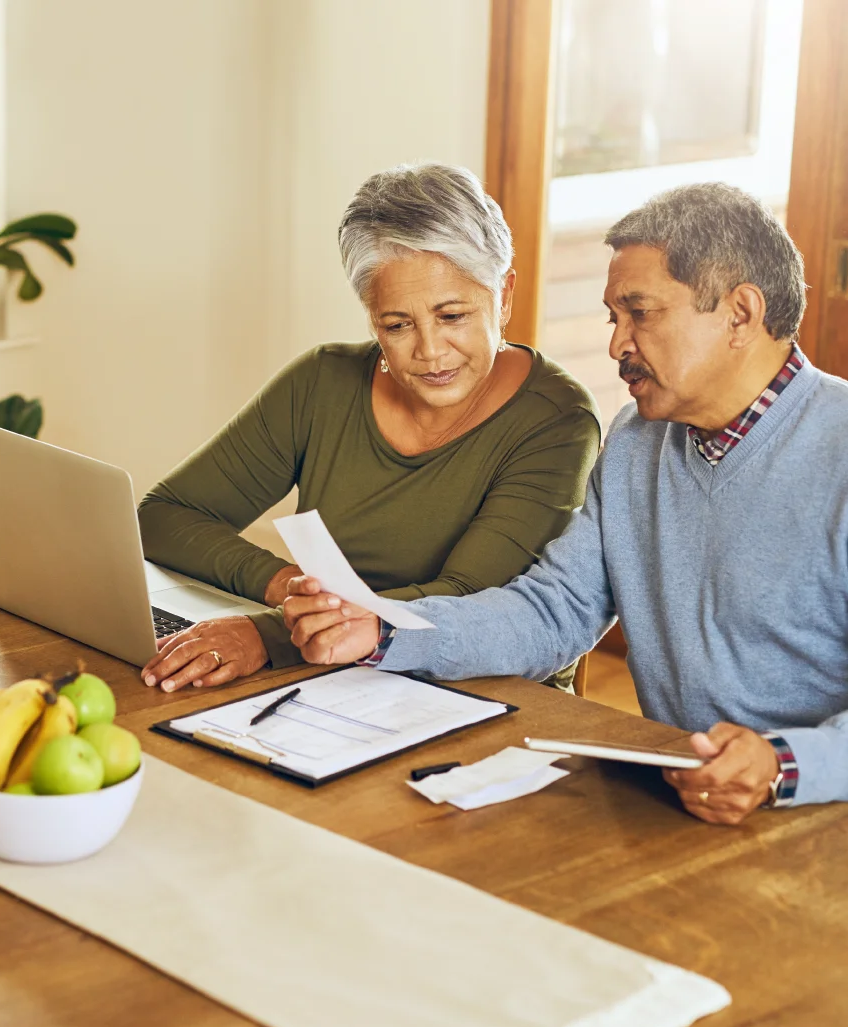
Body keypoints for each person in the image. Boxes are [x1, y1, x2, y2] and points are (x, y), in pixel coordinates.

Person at [284, 182, 848, 827]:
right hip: (689, 807)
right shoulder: (639, 444)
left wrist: (783, 764)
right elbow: (552, 612)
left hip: (819, 821)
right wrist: (383, 631)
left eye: (641, 313)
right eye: (615, 318)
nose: (617, 345)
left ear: (740, 315)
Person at [137, 162, 600, 694]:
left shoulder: (557, 420)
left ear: (505, 295)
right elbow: (166, 517)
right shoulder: (323, 381)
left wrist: (271, 636)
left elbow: (469, 599)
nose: (429, 352)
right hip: (331, 682)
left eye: (453, 317)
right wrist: (291, 591)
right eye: (397, 325)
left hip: (482, 693)